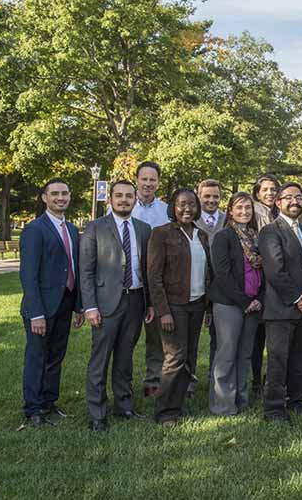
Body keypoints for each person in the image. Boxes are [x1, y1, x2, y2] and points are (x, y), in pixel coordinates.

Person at [80, 180, 154, 432]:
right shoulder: (95, 227)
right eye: (119, 196)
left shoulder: (144, 229)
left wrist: (150, 303)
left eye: (129, 196)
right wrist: (89, 306)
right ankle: (97, 413)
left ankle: (124, 406)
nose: (124, 200)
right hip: (105, 303)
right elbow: (86, 271)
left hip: (135, 299)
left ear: (135, 199)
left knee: (125, 357)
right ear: (110, 199)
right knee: (100, 359)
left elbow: (148, 270)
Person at [19, 179, 83, 427]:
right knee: (37, 358)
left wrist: (78, 305)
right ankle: (33, 409)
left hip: (65, 303)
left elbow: (74, 268)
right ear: (44, 198)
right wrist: (36, 313)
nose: (60, 197)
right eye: (55, 193)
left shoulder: (72, 230)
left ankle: (48, 402)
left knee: (56, 356)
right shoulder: (35, 229)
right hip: (41, 307)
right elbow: (28, 275)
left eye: (64, 193)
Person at [147, 188, 212, 426]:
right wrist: (163, 311)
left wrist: (208, 307)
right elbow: (154, 277)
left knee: (190, 357)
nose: (187, 209)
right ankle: (165, 411)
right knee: (174, 357)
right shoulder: (161, 234)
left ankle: (179, 404)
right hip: (173, 306)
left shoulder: (202, 235)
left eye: (192, 204)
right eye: (182, 204)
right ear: (173, 207)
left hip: (197, 304)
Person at [259, 183, 302, 422]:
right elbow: (275, 270)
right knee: (278, 359)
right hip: (281, 308)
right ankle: (274, 409)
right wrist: (298, 298)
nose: (295, 201)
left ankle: (296, 400)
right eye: (289, 197)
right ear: (278, 202)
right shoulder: (270, 231)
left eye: (299, 196)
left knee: (300, 357)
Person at [207, 192, 263, 416]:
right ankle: (222, 404)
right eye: (239, 208)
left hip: (254, 304)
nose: (244, 212)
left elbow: (262, 271)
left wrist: (258, 299)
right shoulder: (224, 237)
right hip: (229, 303)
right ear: (230, 211)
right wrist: (244, 301)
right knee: (227, 353)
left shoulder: (256, 237)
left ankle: (241, 399)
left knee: (245, 354)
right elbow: (222, 274)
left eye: (248, 208)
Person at [131, 161, 169, 398]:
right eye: (144, 179)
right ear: (137, 179)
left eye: (152, 179)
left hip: (157, 280)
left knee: (156, 336)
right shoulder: (124, 205)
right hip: (130, 280)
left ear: (158, 182)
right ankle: (122, 384)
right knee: (127, 335)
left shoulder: (165, 210)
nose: (148, 183)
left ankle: (153, 380)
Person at [194, 178, 226, 395]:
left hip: (221, 288)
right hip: (195, 285)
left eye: (215, 196)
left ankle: (215, 381)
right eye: (207, 196)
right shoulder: (191, 219)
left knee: (219, 337)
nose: (211, 200)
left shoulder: (227, 219)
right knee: (189, 338)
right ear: (199, 196)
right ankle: (187, 383)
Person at [250, 174, 280, 396]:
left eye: (273, 189)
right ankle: (256, 379)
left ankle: (271, 377)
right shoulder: (253, 213)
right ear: (257, 193)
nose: (270, 193)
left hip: (277, 282)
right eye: (265, 189)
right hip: (259, 280)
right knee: (258, 336)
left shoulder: (279, 212)